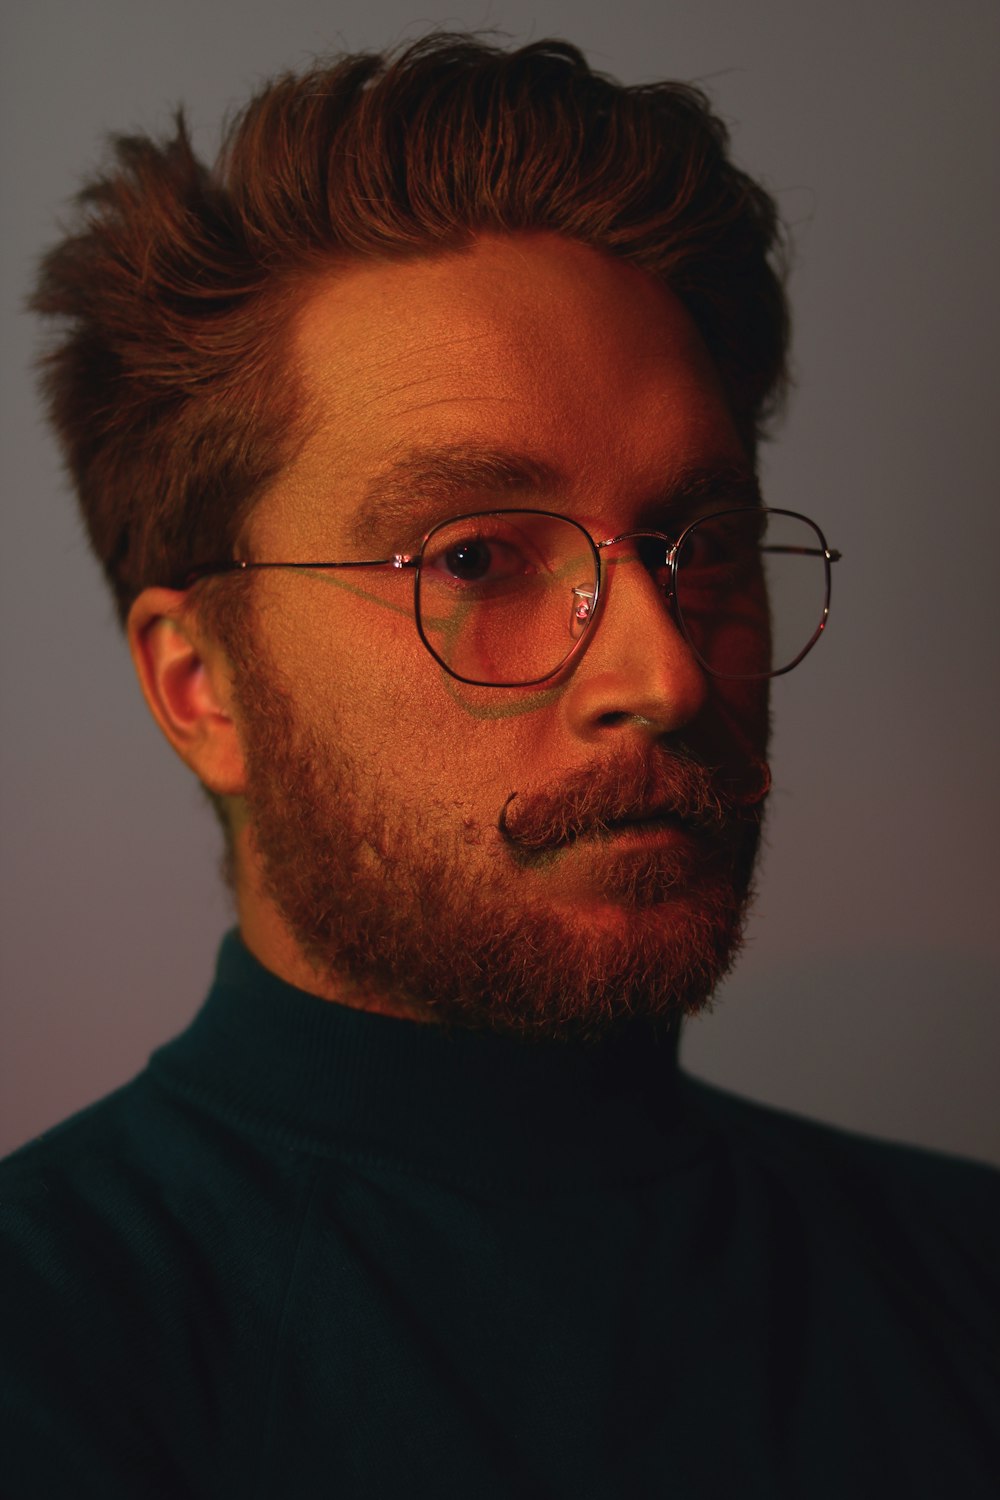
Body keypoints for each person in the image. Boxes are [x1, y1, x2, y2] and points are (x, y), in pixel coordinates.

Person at [1, 33, 997, 1499]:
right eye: (476, 556)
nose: (660, 677)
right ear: (202, 685)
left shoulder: (965, 1276)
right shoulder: (56, 1356)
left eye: (699, 543)